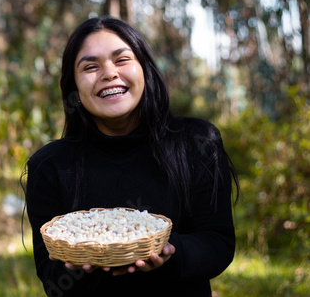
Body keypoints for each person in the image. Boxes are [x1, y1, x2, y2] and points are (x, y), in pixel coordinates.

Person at [24, 16, 239, 296]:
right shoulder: (50, 166)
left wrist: (169, 253)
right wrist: (79, 265)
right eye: (90, 66)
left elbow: (218, 244)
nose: (108, 73)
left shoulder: (197, 142)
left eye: (122, 59)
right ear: (75, 92)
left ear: (145, 71)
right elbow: (53, 282)